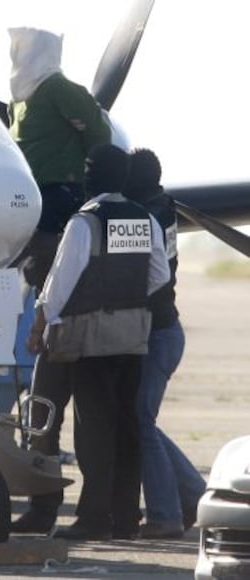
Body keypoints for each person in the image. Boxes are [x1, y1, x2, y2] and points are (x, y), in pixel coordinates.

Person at [25, 144, 170, 541]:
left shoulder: (84, 223)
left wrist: (41, 323)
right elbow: (158, 277)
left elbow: (59, 284)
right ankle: (125, 519)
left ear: (95, 176)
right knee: (125, 428)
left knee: (93, 431)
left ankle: (92, 518)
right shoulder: (144, 220)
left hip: (90, 339)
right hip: (133, 337)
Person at [8, 26, 111, 534]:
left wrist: (91, 176)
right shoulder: (21, 100)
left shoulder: (57, 87)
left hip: (58, 201)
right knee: (51, 411)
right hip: (30, 207)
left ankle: (95, 512)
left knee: (78, 412)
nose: (16, 53)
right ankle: (51, 506)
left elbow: (98, 129)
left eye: (23, 46)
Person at [124, 148, 206, 539]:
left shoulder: (144, 217)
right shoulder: (163, 207)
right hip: (165, 330)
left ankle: (165, 515)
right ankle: (192, 494)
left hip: (156, 334)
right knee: (143, 421)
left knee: (141, 420)